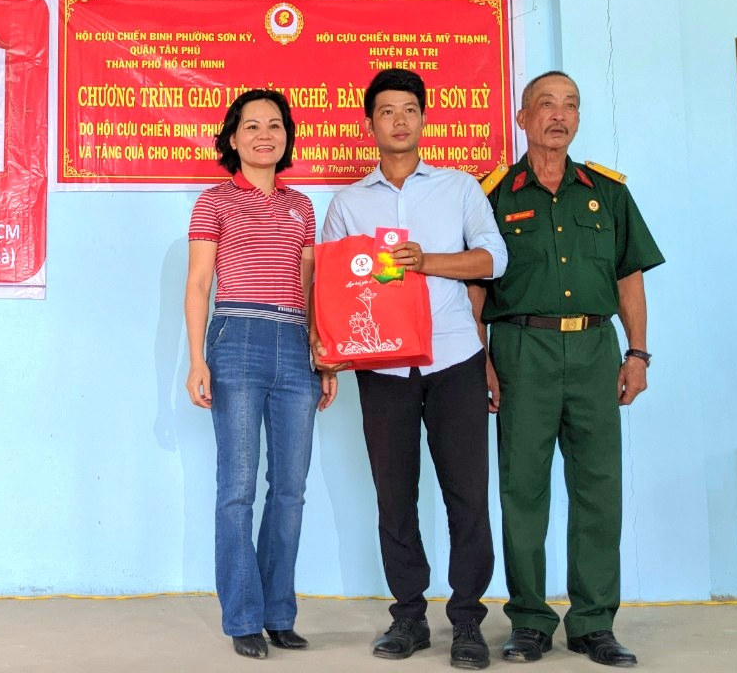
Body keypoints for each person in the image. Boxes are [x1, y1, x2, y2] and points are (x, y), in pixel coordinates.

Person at [473, 71, 664, 667]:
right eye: (546, 104)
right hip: (520, 349)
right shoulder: (493, 195)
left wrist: (637, 353)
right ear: (522, 116)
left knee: (598, 489)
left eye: (570, 106)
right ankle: (529, 621)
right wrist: (482, 360)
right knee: (521, 490)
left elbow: (629, 276)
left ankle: (593, 623)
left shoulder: (608, 193)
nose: (559, 115)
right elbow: (475, 286)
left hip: (594, 351)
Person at [318, 68, 507, 670]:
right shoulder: (348, 203)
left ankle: (468, 620)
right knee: (394, 495)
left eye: (409, 109)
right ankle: (408, 617)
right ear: (369, 124)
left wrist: (426, 261)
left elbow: (493, 258)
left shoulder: (458, 189)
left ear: (424, 118)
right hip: (383, 366)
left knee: (467, 495)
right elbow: (332, 285)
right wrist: (328, 349)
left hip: (455, 359)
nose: (399, 120)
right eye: (386, 111)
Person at [184, 88, 338, 659]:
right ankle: (243, 616)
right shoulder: (214, 201)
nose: (264, 135)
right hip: (237, 340)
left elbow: (309, 287)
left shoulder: (302, 207)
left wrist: (324, 354)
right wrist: (197, 359)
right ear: (233, 137)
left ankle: (278, 614)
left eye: (275, 125)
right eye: (251, 126)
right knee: (238, 488)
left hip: (295, 345)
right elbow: (199, 283)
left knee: (291, 490)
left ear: (287, 137)